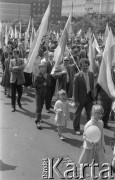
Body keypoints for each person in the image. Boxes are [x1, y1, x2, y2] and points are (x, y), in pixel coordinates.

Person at [78, 104, 106, 178]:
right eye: (97, 113)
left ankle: (102, 176)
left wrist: (103, 144)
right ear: (93, 113)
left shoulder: (101, 123)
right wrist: (91, 141)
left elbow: (102, 134)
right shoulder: (89, 124)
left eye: (100, 113)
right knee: (85, 162)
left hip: (98, 146)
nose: (99, 115)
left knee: (101, 162)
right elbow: (84, 136)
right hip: (89, 147)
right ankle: (82, 175)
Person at [73, 58, 95, 135]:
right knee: (77, 114)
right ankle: (76, 129)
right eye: (83, 66)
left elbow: (92, 86)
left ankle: (89, 129)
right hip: (80, 98)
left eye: (86, 66)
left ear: (88, 66)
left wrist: (93, 96)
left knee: (90, 114)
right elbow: (75, 90)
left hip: (89, 97)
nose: (85, 67)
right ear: (80, 67)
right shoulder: (77, 76)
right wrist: (76, 101)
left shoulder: (91, 74)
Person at [34, 63, 51, 130]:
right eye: (41, 67)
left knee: (41, 106)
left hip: (44, 93)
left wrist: (46, 78)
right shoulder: (37, 76)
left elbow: (49, 84)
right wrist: (42, 84)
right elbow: (35, 85)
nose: (42, 68)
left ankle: (40, 117)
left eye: (44, 67)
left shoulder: (47, 75)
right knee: (38, 107)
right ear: (39, 68)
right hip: (38, 93)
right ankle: (37, 121)